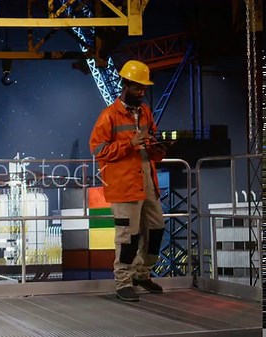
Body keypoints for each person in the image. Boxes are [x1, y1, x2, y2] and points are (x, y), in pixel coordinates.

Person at [88, 60, 166, 302]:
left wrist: (157, 147)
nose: (141, 92)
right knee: (128, 237)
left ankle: (142, 274)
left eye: (143, 88)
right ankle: (123, 282)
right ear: (125, 85)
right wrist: (128, 145)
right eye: (137, 88)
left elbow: (151, 137)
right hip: (124, 186)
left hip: (147, 182)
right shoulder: (108, 115)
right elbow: (98, 150)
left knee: (156, 230)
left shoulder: (145, 113)